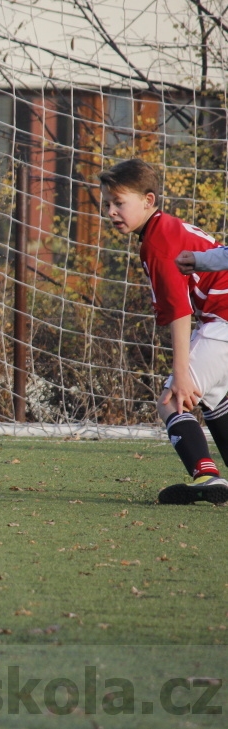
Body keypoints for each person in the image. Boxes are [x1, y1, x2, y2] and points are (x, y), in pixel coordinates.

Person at [101, 159, 228, 505]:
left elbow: (180, 311)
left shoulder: (158, 243)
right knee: (215, 400)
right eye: (107, 204)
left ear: (148, 199)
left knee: (173, 398)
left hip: (224, 318)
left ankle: (207, 475)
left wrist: (180, 373)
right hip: (220, 318)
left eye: (119, 203)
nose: (111, 211)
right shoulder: (164, 229)